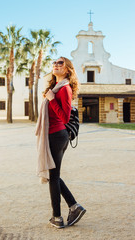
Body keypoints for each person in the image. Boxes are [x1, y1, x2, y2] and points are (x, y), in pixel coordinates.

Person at [36, 57, 86, 229]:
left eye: (60, 63)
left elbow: (64, 117)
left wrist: (51, 99)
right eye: (54, 63)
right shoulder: (56, 88)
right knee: (54, 175)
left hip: (57, 135)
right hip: (54, 135)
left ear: (68, 70)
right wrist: (51, 96)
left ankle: (57, 217)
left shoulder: (64, 89)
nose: (56, 65)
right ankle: (74, 206)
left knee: (54, 176)